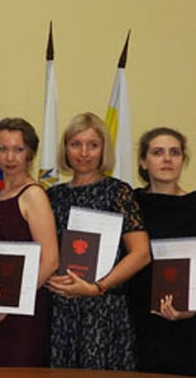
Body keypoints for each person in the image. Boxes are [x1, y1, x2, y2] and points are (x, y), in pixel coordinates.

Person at [45, 112, 150, 370]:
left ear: (104, 149)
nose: (84, 153)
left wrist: (97, 287)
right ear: (65, 148)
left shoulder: (118, 192)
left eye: (93, 145)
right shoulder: (52, 196)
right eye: (76, 144)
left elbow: (141, 254)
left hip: (104, 309)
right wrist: (48, 278)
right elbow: (44, 252)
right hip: (62, 310)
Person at [0, 118, 58, 367]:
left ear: (30, 153)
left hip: (25, 313)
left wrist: (11, 303)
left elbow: (50, 260)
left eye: (18, 149)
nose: (10, 157)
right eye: (3, 149)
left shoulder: (33, 195)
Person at [129, 127, 196, 375]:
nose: (167, 159)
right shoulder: (129, 203)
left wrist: (192, 308)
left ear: (183, 160)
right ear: (143, 161)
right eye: (158, 152)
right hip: (136, 319)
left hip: (188, 322)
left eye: (174, 152)